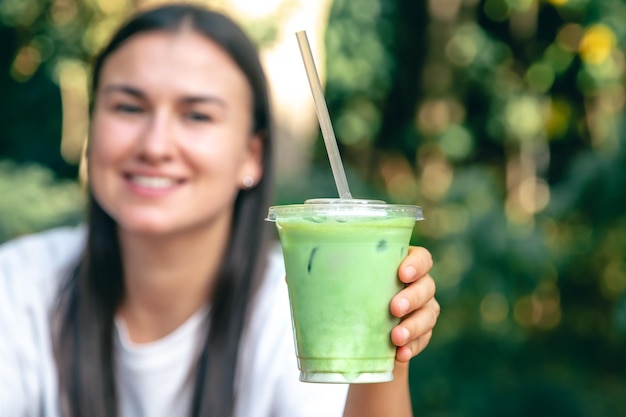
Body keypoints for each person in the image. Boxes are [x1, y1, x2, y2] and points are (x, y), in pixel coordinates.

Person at [0, 3, 440, 417]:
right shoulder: (20, 287)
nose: (155, 145)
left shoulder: (296, 304)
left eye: (197, 116)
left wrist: (386, 350)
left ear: (252, 156)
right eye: (129, 107)